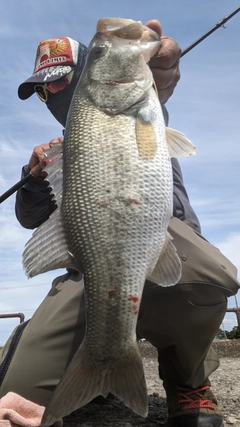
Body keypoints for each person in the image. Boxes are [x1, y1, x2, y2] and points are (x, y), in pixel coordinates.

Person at [0, 19, 239, 427]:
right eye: (42, 90)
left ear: (85, 75)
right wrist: (37, 174)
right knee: (15, 399)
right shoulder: (57, 154)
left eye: (57, 82)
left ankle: (188, 378)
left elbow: (158, 91)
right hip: (93, 274)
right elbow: (29, 220)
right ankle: (97, 373)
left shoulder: (142, 116)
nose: (48, 94)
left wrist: (161, 74)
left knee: (206, 273)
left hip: (166, 260)